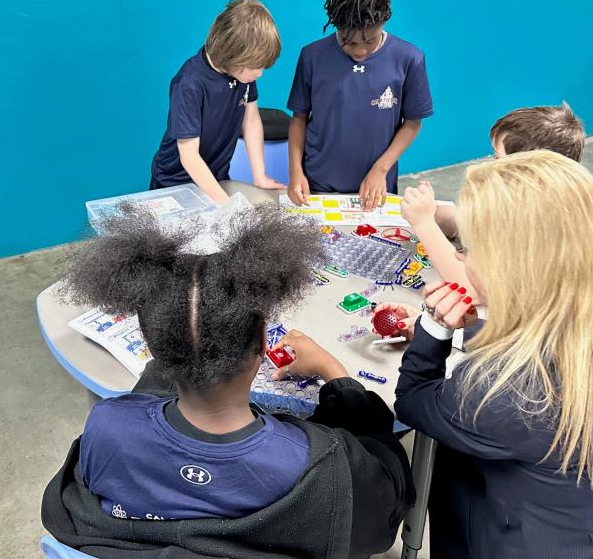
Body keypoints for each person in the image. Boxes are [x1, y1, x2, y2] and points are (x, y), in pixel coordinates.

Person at [41, 204, 414, 559]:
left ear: (154, 347)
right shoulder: (321, 466)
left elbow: (68, 512)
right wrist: (336, 376)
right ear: (262, 344)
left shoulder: (106, 427)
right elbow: (386, 505)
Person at [388, 151, 593, 558]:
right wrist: (473, 323)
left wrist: (434, 329)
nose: (459, 257)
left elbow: (414, 402)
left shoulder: (502, 394)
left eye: (468, 248)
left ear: (512, 267)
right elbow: (532, 327)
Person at [286, 0, 433, 211]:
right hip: (317, 185)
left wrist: (381, 168)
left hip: (374, 188)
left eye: (369, 41)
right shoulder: (312, 56)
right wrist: (295, 172)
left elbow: (412, 123)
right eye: (348, 42)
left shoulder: (410, 59)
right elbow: (299, 118)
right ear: (336, 27)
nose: (360, 51)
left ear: (385, 21)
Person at [408, 103, 586, 294]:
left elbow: (471, 288)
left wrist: (424, 223)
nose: (490, 164)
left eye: (498, 158)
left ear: (533, 172)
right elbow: (485, 227)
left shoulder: (540, 225)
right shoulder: (532, 200)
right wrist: (438, 214)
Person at [150, 0, 286, 203]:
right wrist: (228, 205)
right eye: (256, 66)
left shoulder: (244, 75)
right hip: (174, 184)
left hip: (216, 179)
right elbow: (189, 156)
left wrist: (260, 176)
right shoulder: (189, 83)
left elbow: (251, 121)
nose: (260, 74)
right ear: (234, 57)